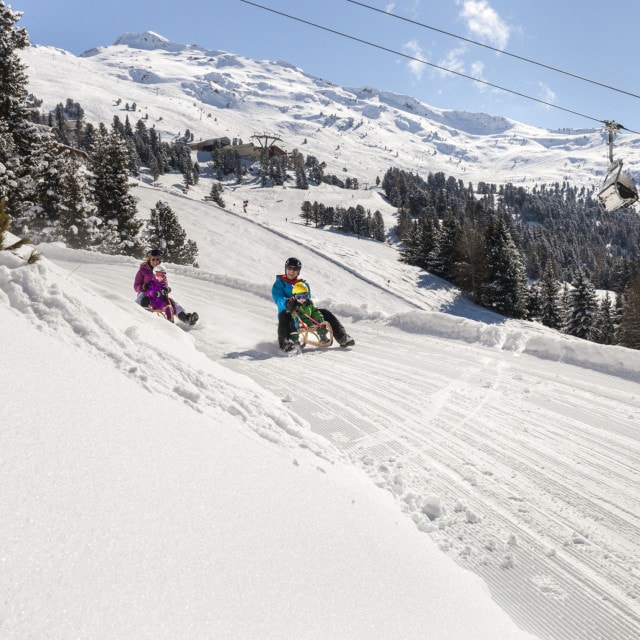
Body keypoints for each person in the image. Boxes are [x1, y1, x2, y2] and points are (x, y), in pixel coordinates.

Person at [272, 256, 354, 352]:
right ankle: (285, 343)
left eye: (295, 269)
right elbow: (278, 298)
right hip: (289, 312)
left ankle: (343, 338)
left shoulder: (303, 283)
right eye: (289, 268)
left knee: (325, 313)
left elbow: (308, 297)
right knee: (284, 317)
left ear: (298, 271)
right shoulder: (279, 283)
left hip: (304, 312)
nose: (292, 271)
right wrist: (287, 302)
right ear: (286, 268)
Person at [134, 249, 198, 325]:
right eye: (153, 259)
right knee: (141, 300)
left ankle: (186, 318)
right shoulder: (143, 270)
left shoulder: (161, 271)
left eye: (157, 259)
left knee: (172, 303)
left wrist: (165, 288)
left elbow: (164, 283)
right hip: (146, 293)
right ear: (149, 259)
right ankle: (135, 314)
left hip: (158, 294)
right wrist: (143, 287)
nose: (155, 262)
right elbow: (136, 286)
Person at [288, 282, 331, 347]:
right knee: (292, 325)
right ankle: (295, 339)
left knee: (321, 323)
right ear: (294, 297)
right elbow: (293, 314)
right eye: (298, 297)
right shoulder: (294, 305)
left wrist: (319, 318)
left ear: (307, 296)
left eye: (304, 296)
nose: (302, 299)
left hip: (308, 322)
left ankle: (322, 336)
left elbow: (315, 312)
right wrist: (296, 320)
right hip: (298, 323)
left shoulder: (309, 303)